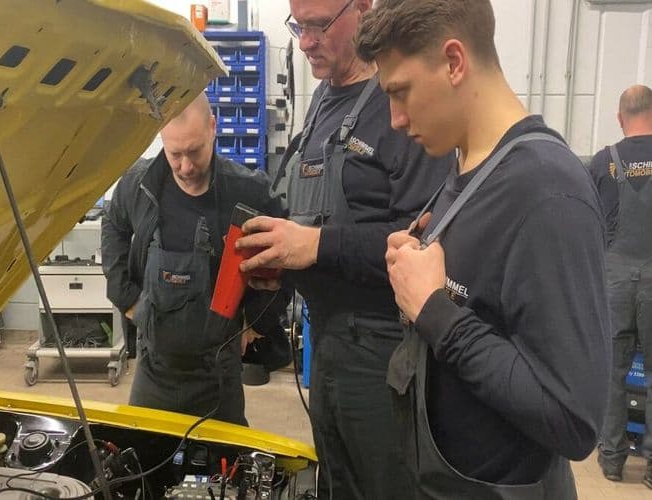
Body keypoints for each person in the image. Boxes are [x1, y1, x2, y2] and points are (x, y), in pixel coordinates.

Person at [356, 0, 611, 498]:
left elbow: (574, 419)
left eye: (401, 92)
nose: (395, 119)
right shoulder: (467, 168)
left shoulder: (546, 191)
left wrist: (435, 311)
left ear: (454, 62)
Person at [236, 0, 452, 497]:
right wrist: (284, 264)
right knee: (334, 482)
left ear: (364, 9)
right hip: (326, 341)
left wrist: (316, 245)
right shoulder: (321, 104)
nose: (305, 41)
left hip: (381, 353)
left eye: (319, 25)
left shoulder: (398, 106)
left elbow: (424, 244)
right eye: (298, 25)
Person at [101, 93, 284, 425]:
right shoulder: (141, 184)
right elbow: (113, 222)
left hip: (218, 375)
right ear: (161, 138)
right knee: (140, 462)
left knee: (225, 471)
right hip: (153, 372)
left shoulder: (248, 192)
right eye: (175, 154)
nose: (185, 167)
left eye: (195, 152)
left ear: (213, 128)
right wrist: (125, 297)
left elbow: (283, 254)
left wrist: (257, 321)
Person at [591, 84, 652, 487]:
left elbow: (585, 222)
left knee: (612, 371)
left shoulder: (602, 162)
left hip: (613, 278)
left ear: (619, 118)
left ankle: (612, 460)